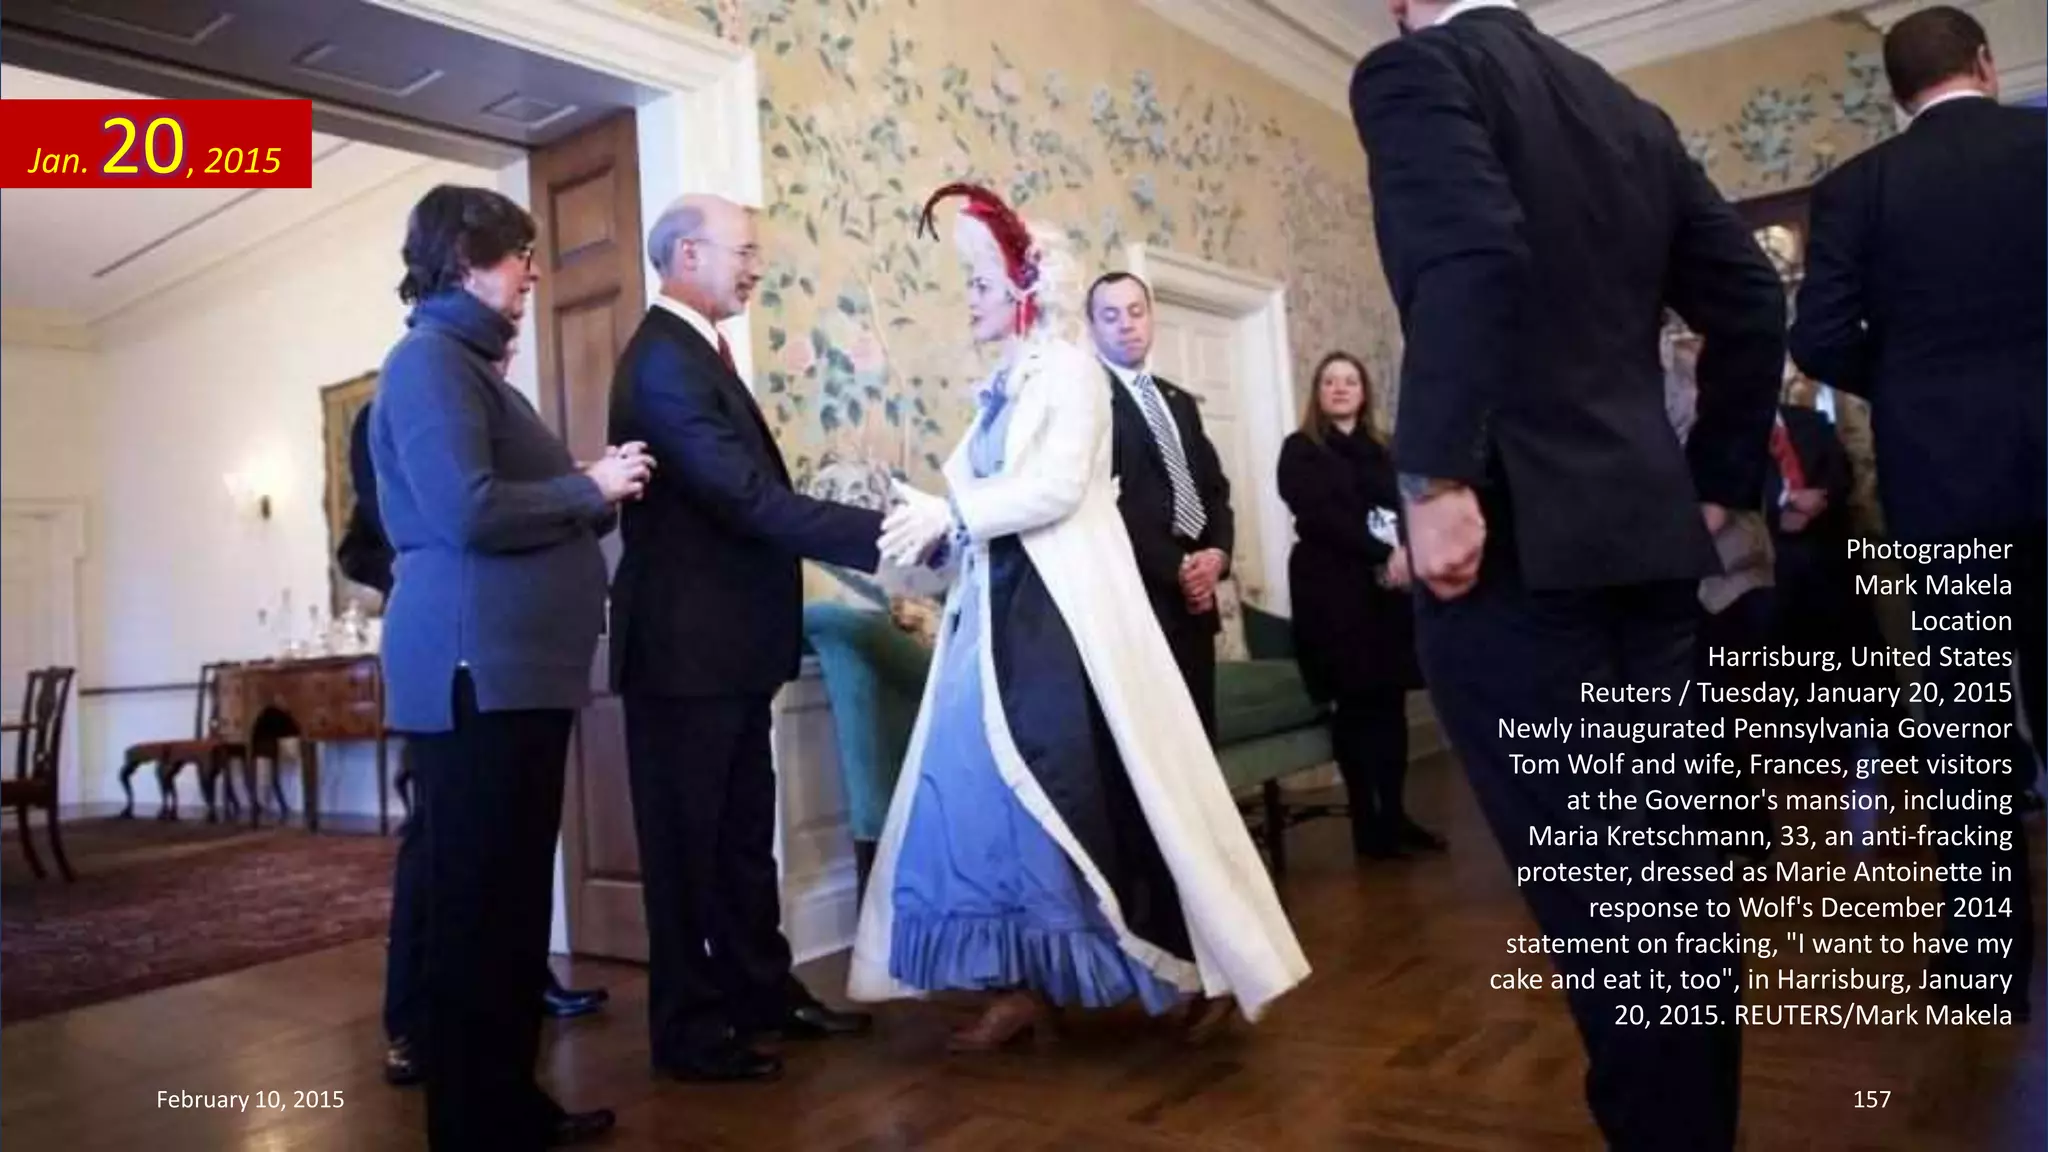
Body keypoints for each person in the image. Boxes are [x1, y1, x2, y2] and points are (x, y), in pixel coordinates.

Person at [1351, 2, 1785, 1148]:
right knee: (1667, 888)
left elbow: (1474, 249)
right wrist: (1712, 477)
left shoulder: (1413, 72)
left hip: (1513, 552)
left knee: (1609, 907)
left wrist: (1435, 476)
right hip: (1640, 547)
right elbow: (1749, 298)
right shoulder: (1624, 111)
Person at [848, 182, 1309, 1051]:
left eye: (982, 286)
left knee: (1088, 786)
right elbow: (988, 497)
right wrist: (935, 524)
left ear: (1024, 291)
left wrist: (958, 514)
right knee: (991, 802)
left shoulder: (1070, 371)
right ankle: (1025, 981)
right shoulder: (1005, 380)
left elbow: (1058, 487)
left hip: (1062, 621)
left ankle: (1186, 967)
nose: (971, 302)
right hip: (994, 622)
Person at [370, 184, 647, 1149]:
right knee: (481, 913)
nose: (532, 272)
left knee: (511, 907)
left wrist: (586, 490)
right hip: (474, 673)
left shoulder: (469, 368)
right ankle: (477, 1125)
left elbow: (504, 499)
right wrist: (588, 487)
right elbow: (467, 512)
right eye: (515, 255)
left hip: (512, 673)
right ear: (463, 261)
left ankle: (509, 1107)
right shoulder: (429, 365)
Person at [1788, 4, 2043, 1021]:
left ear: (1895, 93)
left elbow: (1814, 339)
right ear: (1983, 64)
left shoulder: (1856, 187)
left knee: (1968, 730)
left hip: (1943, 492)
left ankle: (1983, 963)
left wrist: (1902, 384)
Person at [608, 193, 884, 1083]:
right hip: (685, 653)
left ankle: (762, 994)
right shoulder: (662, 360)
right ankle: (688, 1033)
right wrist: (883, 538)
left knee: (737, 840)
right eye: (745, 248)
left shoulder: (697, 353)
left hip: (728, 651)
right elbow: (742, 497)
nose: (757, 264)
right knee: (687, 851)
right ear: (688, 254)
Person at [348, 340, 612, 1092]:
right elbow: (433, 524)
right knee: (442, 860)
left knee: (491, 876)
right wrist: (429, 575)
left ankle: (504, 1025)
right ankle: (414, 1026)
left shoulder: (495, 407)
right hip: (457, 653)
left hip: (506, 657)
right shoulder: (409, 393)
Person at [1275, 351, 1441, 859]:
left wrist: (1407, 552)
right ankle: (1366, 825)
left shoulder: (1385, 449)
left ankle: (1394, 814)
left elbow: (1407, 506)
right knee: (1354, 703)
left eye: (1350, 380)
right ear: (1318, 393)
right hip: (1332, 590)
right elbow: (1323, 516)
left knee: (1389, 703)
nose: (1341, 388)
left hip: (1385, 591)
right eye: (1330, 381)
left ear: (1363, 391)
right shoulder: (1301, 449)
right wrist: (1385, 553)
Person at [1086, 272, 1233, 738]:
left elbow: (1214, 489)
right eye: (1110, 315)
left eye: (1136, 311)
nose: (1126, 324)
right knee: (1157, 752)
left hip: (1196, 602)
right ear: (1092, 327)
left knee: (1200, 743)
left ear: (1151, 318)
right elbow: (1107, 500)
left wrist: (1216, 557)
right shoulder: (1089, 399)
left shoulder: (1181, 401)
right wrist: (1180, 568)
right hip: (1139, 598)